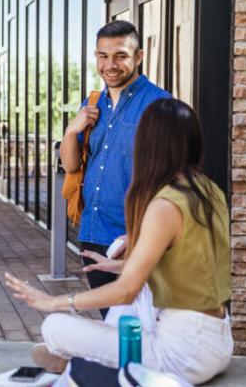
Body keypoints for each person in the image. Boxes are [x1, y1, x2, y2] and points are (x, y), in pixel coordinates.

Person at [6, 98, 232, 385]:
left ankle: (85, 358)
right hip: (218, 342)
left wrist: (54, 301)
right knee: (138, 295)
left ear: (148, 145)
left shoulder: (165, 205)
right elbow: (194, 264)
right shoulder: (209, 191)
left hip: (181, 355)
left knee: (54, 326)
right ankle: (91, 354)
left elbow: (125, 291)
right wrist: (122, 265)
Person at [60, 20, 169, 318]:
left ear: (139, 56)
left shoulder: (160, 105)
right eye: (103, 56)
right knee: (112, 321)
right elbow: (70, 165)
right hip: (94, 232)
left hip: (134, 237)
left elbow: (172, 180)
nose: (110, 65)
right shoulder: (94, 103)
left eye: (121, 55)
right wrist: (71, 131)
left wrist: (142, 235)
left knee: (139, 324)